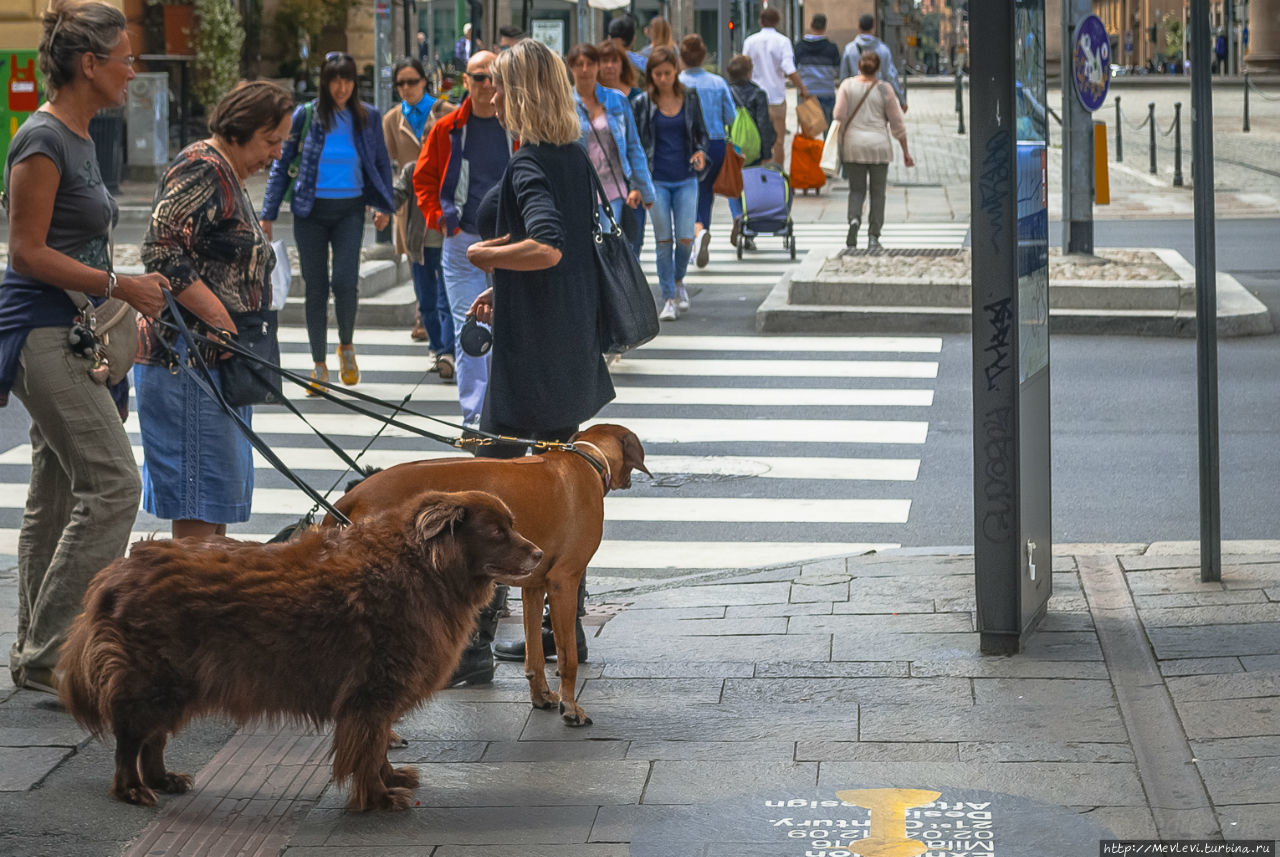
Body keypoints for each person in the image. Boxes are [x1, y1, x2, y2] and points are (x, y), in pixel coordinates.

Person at [1, 0, 168, 694]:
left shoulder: (79, 133)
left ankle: (33, 647)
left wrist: (119, 295)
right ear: (90, 64)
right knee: (115, 484)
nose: (133, 71)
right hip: (41, 328)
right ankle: (49, 652)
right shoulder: (42, 139)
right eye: (125, 59)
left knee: (60, 483)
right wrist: (120, 284)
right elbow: (25, 252)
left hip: (70, 327)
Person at [463, 38, 615, 679]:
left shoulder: (527, 162)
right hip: (569, 348)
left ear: (519, 91)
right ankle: (561, 627)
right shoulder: (574, 156)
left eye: (498, 84)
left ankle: (472, 646)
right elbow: (568, 256)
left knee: (490, 495)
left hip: (532, 364)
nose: (490, 95)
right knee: (560, 496)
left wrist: (486, 258)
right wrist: (506, 293)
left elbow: (548, 247)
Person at [137, 81, 293, 540]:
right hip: (186, 364)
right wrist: (221, 322)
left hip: (212, 364)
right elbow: (160, 250)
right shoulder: (204, 168)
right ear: (241, 129)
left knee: (214, 507)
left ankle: (203, 606)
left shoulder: (228, 172)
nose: (278, 153)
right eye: (271, 140)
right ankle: (191, 610)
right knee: (199, 515)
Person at [261, 52, 394, 394]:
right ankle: (318, 364)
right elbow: (281, 164)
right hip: (310, 212)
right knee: (315, 287)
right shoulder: (306, 116)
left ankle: (346, 346)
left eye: (348, 80)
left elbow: (380, 164)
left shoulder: (367, 117)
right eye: (335, 79)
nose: (342, 87)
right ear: (324, 81)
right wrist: (268, 214)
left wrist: (384, 206)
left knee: (346, 282)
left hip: (351, 211)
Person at [413, 50, 514, 429]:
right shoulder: (448, 127)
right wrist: (440, 219)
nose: (486, 85)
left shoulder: (514, 126)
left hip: (508, 243)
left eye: (492, 77)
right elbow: (423, 179)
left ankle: (503, 412)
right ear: (466, 81)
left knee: (509, 326)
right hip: (461, 242)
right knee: (468, 326)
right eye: (477, 77)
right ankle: (475, 417)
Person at [383, 57, 455, 380]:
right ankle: (438, 345)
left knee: (445, 297)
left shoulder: (448, 114)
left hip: (446, 230)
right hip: (415, 227)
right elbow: (391, 175)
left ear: (425, 81)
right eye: (401, 84)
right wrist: (381, 207)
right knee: (426, 297)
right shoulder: (392, 120)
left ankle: (447, 352)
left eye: (412, 81)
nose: (407, 88)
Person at [633, 46, 708, 321]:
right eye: (658, 73)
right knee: (663, 241)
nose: (663, 78)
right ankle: (669, 297)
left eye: (667, 72)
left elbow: (701, 133)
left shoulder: (689, 97)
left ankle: (678, 280)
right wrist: (637, 182)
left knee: (686, 239)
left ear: (675, 71)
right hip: (656, 180)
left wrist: (700, 152)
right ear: (650, 75)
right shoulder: (642, 103)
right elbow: (637, 144)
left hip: (687, 177)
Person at [833, 50, 914, 253]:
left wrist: (840, 141)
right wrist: (905, 151)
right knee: (878, 193)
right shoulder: (884, 89)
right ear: (878, 68)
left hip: (854, 146)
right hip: (879, 147)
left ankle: (853, 220)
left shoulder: (847, 86)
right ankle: (873, 236)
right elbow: (897, 123)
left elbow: (838, 116)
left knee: (856, 190)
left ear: (858, 66)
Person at [568, 43, 655, 224]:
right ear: (571, 67)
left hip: (612, 187)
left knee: (607, 243)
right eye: (579, 64)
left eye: (590, 64)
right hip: (577, 187)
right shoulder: (564, 103)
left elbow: (633, 146)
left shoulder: (617, 99)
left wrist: (644, 189)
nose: (585, 70)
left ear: (597, 66)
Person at [678, 34, 736, 269]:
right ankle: (703, 231)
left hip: (687, 144)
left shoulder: (677, 83)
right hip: (715, 142)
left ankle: (697, 232)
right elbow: (730, 116)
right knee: (706, 194)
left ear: (681, 58)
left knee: (688, 193)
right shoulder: (717, 82)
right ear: (703, 57)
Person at [743, 6, 808, 166]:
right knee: (778, 140)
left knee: (755, 136)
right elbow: (789, 68)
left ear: (761, 21)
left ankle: (756, 172)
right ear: (777, 21)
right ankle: (777, 175)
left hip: (754, 97)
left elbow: (745, 66)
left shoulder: (750, 41)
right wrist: (802, 88)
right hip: (776, 98)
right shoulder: (783, 41)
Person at [724, 53, 774, 252]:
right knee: (751, 188)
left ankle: (737, 215)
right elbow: (764, 124)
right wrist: (766, 151)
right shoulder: (758, 94)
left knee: (733, 185)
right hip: (753, 150)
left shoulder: (727, 93)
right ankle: (750, 233)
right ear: (749, 72)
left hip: (733, 148)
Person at [841, 13, 907, 112]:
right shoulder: (883, 49)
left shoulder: (849, 49)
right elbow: (890, 76)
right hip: (878, 97)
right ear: (873, 27)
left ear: (859, 27)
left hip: (855, 98)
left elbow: (844, 76)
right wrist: (901, 100)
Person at [795, 13, 840, 123]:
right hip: (827, 92)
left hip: (806, 93)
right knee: (828, 133)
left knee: (808, 133)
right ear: (825, 27)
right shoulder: (832, 48)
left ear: (811, 25)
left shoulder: (799, 47)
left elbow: (794, 69)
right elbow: (837, 71)